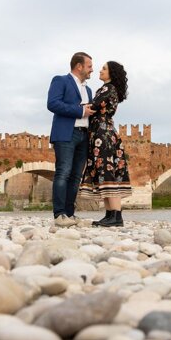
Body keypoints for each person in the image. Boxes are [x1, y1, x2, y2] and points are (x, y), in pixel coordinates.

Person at [80, 61, 132, 227]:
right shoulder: (109, 89)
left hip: (102, 134)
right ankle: (110, 215)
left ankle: (116, 216)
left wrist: (73, 107)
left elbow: (94, 106)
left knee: (107, 172)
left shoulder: (108, 89)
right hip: (103, 132)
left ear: (111, 73)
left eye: (104, 68)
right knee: (104, 172)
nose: (100, 71)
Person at [47, 52, 95, 227]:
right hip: (66, 134)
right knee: (63, 172)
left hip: (84, 135)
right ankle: (59, 214)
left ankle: (69, 214)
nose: (92, 70)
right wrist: (80, 111)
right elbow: (52, 103)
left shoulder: (88, 90)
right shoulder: (60, 80)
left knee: (75, 177)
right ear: (79, 66)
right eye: (89, 66)